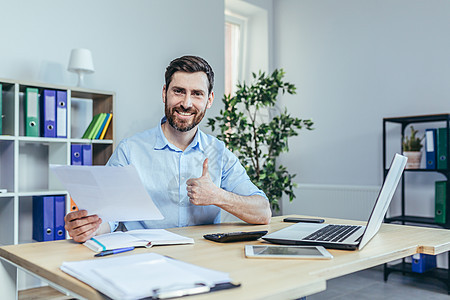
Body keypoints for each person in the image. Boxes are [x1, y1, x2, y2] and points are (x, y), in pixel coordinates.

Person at [65, 55, 271, 242]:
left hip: (204, 260)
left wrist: (217, 196)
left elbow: (262, 212)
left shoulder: (219, 152)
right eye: (179, 91)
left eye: (197, 94)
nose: (186, 103)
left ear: (209, 100)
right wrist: (87, 228)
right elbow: (107, 216)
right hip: (146, 259)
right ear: (165, 93)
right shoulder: (130, 150)